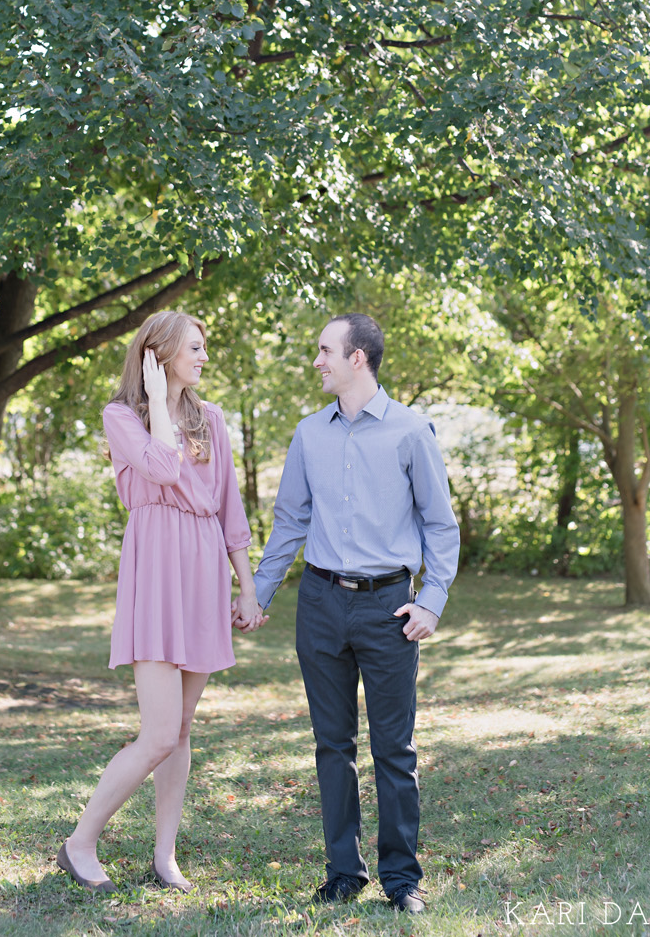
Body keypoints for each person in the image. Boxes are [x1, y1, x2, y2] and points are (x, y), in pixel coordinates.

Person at [234, 313, 459, 915]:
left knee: (394, 749)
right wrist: (259, 592)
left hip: (391, 607)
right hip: (321, 603)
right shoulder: (309, 434)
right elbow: (290, 523)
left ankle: (401, 879)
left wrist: (431, 602)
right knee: (331, 745)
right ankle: (342, 871)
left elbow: (441, 525)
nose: (317, 362)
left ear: (357, 358)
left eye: (325, 351)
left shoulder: (412, 431)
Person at [58, 311, 266, 895]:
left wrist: (245, 587)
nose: (204, 358)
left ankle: (164, 854)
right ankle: (79, 842)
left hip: (203, 569)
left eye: (204, 349)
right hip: (154, 569)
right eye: (194, 349)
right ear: (159, 353)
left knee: (181, 728)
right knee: (158, 732)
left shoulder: (213, 420)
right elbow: (160, 466)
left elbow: (230, 510)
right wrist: (154, 395)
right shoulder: (121, 416)